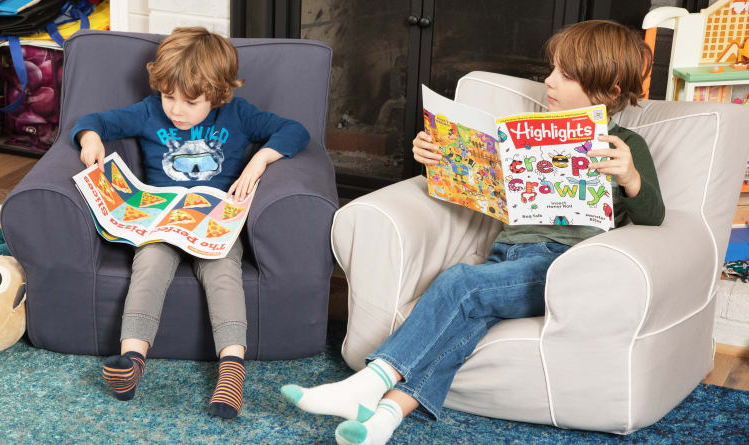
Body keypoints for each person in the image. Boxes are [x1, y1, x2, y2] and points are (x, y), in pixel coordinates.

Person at [280, 20, 664, 444]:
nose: (548, 81)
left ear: (610, 90)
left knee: (462, 282)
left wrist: (631, 179)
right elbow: (475, 189)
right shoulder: (521, 133)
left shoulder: (623, 144)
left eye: (565, 75)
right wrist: (436, 157)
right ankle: (383, 420)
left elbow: (652, 219)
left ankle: (370, 381)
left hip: (560, 268)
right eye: (551, 68)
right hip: (505, 257)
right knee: (464, 324)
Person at [71, 27, 309, 418]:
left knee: (223, 273)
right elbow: (96, 119)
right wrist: (90, 138)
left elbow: (294, 130)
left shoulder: (238, 113)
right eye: (169, 97)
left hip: (216, 222)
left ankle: (231, 370)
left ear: (218, 94)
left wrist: (260, 158)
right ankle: (132, 361)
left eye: (190, 101)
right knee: (147, 266)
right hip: (161, 222)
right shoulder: (149, 111)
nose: (176, 110)